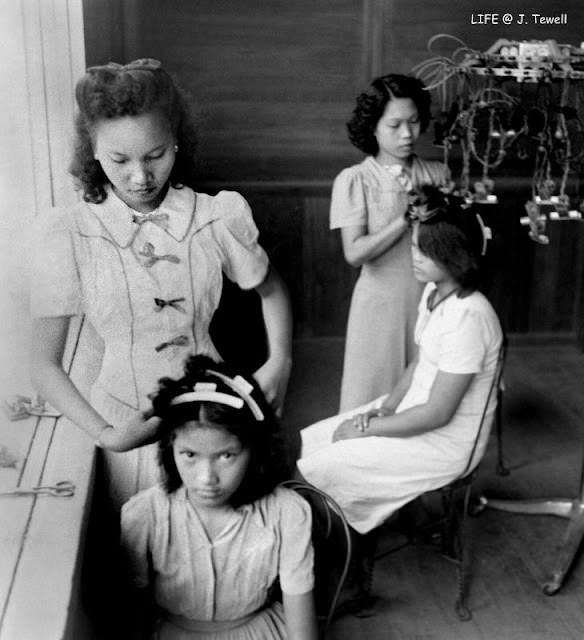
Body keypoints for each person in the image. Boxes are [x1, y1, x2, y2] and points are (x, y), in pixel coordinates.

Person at [29, 59, 292, 504]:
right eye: (119, 159)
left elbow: (272, 290)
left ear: (176, 142)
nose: (140, 176)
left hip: (212, 418)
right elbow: (43, 365)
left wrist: (280, 360)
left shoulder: (215, 216)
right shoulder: (68, 233)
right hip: (123, 423)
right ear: (91, 149)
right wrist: (108, 434)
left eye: (156, 155)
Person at [297, 186, 502, 535]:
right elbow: (419, 365)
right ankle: (342, 545)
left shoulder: (469, 318)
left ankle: (340, 561)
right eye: (413, 247)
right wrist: (387, 408)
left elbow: (438, 414)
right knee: (317, 440)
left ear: (456, 256)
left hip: (447, 441)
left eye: (426, 252)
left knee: (320, 466)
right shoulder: (434, 293)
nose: (415, 258)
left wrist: (368, 430)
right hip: (415, 412)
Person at [120, 355, 317, 639]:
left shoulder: (288, 512)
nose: (206, 478)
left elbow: (302, 627)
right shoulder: (145, 513)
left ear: (254, 452)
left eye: (226, 456)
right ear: (170, 448)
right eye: (189, 455)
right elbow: (133, 613)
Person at [332, 73, 450, 412]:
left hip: (431, 300)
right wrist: (403, 220)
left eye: (413, 122)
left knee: (426, 395)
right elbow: (354, 253)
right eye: (394, 125)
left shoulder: (437, 175)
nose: (407, 134)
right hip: (379, 305)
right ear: (372, 127)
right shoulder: (355, 180)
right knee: (370, 400)